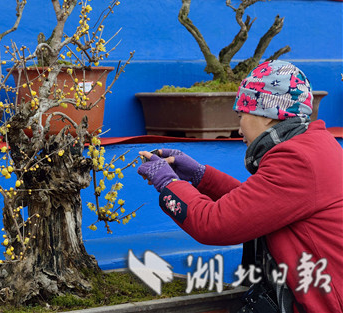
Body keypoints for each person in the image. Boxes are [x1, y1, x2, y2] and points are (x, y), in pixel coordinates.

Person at [137, 60, 342, 313]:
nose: (238, 128)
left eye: (241, 114)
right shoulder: (313, 146)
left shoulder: (297, 160)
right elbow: (260, 206)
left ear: (268, 115)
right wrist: (201, 176)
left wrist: (168, 183)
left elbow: (215, 224)